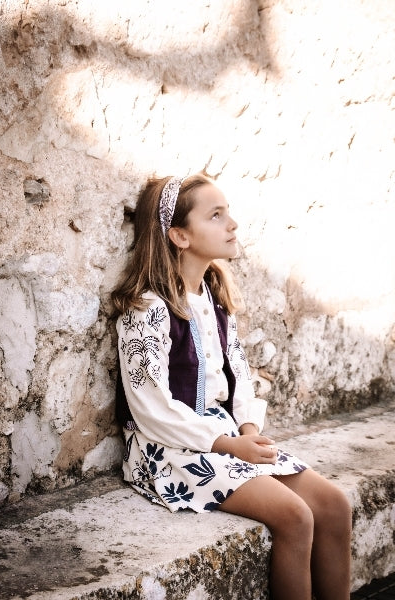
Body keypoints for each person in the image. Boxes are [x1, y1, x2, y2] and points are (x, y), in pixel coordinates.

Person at [111, 173, 352, 600]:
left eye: (228, 213)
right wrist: (227, 445)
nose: (232, 224)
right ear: (180, 235)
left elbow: (238, 378)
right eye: (216, 215)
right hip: (167, 447)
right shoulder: (148, 310)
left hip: (225, 436)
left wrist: (249, 432)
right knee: (295, 516)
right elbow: (152, 408)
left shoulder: (214, 299)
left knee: (334, 505)